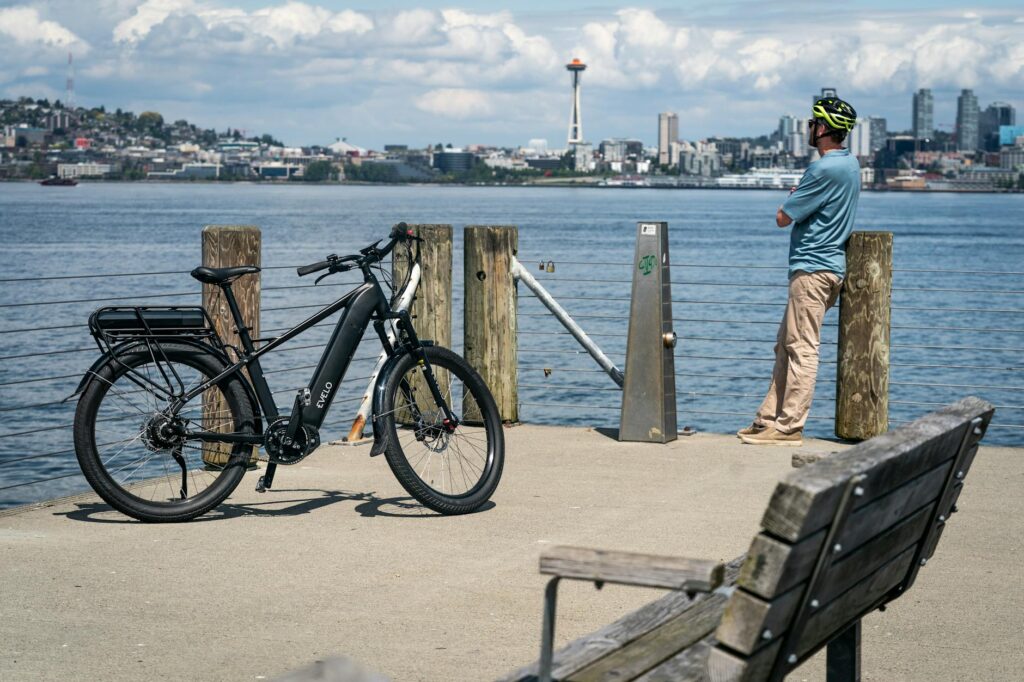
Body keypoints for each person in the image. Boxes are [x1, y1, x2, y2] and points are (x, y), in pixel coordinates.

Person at [738, 96, 860, 446]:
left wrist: (793, 200)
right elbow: (821, 204)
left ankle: (789, 427)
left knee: (801, 347)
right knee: (785, 344)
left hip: (811, 268)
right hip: (829, 267)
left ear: (822, 128)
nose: (809, 128)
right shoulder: (850, 165)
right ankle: (767, 419)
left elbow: (782, 218)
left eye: (812, 124)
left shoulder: (822, 170)